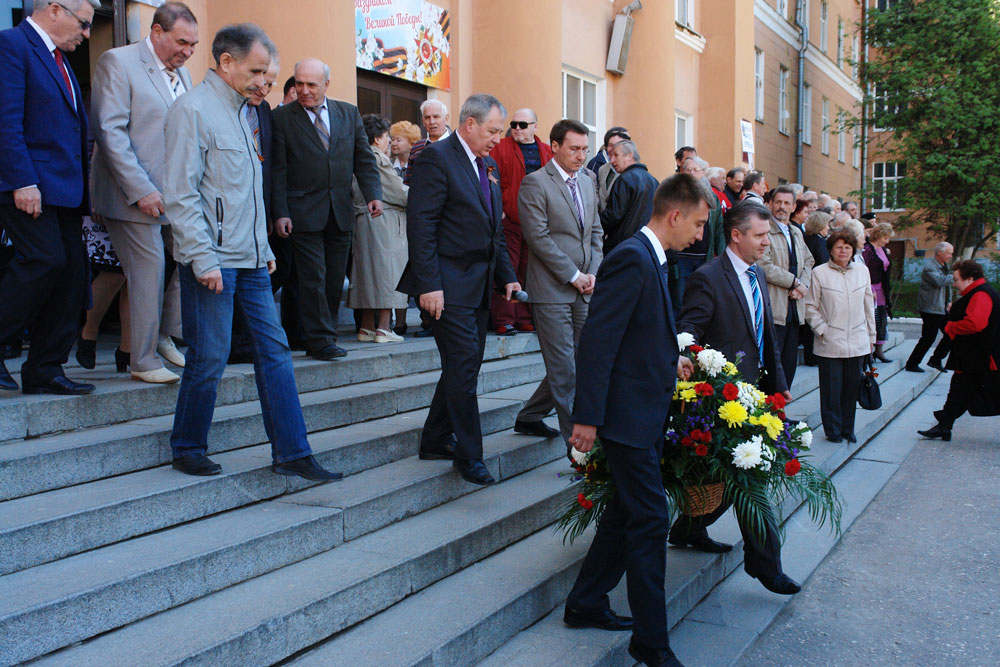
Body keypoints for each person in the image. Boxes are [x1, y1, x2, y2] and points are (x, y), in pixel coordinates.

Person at [163, 23, 340, 482]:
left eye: (269, 73)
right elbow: (181, 196)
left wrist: (264, 249)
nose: (266, 81)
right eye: (258, 71)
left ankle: (293, 453)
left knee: (276, 352)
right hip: (212, 260)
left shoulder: (248, 114)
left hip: (253, 260)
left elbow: (250, 192)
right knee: (210, 356)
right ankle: (187, 444)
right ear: (226, 63)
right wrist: (201, 260)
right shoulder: (193, 110)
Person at [565, 174, 710, 667]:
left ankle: (585, 601)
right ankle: (651, 642)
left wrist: (669, 357)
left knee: (627, 513)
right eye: (697, 223)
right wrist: (586, 418)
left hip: (644, 411)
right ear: (674, 215)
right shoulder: (632, 256)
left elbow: (638, 328)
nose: (699, 234)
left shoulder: (652, 256)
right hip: (625, 419)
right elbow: (598, 341)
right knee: (649, 519)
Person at [668, 200, 800, 597]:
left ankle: (687, 528)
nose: (766, 243)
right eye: (760, 236)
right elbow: (688, 330)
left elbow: (764, 338)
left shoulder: (756, 274)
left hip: (756, 393)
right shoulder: (708, 277)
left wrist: (778, 385)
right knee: (750, 478)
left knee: (720, 475)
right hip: (723, 399)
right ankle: (766, 566)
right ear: (737, 235)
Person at [397, 94, 520, 487]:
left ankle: (435, 439)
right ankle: (470, 455)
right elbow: (422, 226)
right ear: (470, 124)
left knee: (462, 365)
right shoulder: (436, 158)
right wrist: (429, 285)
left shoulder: (485, 164)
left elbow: (493, 231)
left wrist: (508, 276)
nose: (497, 140)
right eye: (493, 131)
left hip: (478, 287)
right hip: (446, 288)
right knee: (465, 366)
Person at [89, 1, 198, 384]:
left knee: (189, 258)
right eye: (182, 42)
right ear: (156, 32)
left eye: (193, 45)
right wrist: (140, 190)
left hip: (172, 194)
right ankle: (143, 359)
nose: (188, 51)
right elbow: (110, 132)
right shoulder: (117, 62)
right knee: (148, 270)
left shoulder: (182, 75)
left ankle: (164, 335)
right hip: (130, 194)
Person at [0, 0, 99, 395]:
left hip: (65, 192)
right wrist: (22, 180)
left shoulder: (60, 59)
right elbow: (5, 120)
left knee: (73, 276)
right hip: (30, 187)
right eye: (85, 24)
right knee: (43, 260)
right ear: (56, 9)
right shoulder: (12, 44)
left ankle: (45, 368)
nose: (87, 34)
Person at [271, 58, 383, 361]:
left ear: (326, 85)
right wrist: (280, 212)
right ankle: (319, 340)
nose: (304, 90)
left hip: (340, 212)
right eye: (299, 83)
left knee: (335, 279)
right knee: (312, 278)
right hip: (301, 213)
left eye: (311, 84)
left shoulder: (348, 113)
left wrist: (374, 194)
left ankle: (324, 334)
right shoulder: (281, 118)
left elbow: (363, 158)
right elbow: (277, 170)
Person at [513, 119, 602, 450]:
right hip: (551, 289)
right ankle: (576, 449)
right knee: (565, 368)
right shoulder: (535, 183)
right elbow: (538, 238)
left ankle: (530, 415)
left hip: (585, 287)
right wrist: (573, 275)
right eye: (574, 149)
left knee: (582, 362)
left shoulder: (589, 180)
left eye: (585, 149)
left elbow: (595, 231)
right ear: (555, 146)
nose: (581, 156)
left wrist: (592, 270)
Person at [228, 57, 282, 364]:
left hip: (258, 210)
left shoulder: (263, 109)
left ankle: (248, 342)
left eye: (270, 82)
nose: (264, 87)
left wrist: (271, 211)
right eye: (259, 78)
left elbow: (269, 162)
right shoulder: (219, 107)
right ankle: (234, 344)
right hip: (229, 211)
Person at [806, 230, 876, 444]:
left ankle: (848, 429)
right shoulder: (819, 273)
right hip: (829, 341)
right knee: (831, 390)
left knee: (850, 389)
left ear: (853, 250)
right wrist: (823, 330)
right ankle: (833, 430)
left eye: (847, 247)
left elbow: (868, 306)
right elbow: (810, 307)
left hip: (857, 340)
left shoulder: (862, 271)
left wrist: (871, 335)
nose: (843, 251)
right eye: (839, 247)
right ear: (830, 251)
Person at [488, 107, 554, 336]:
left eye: (522, 125)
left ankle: (524, 317)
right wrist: (499, 209)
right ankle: (504, 318)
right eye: (514, 124)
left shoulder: (546, 151)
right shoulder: (500, 148)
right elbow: (489, 179)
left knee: (530, 270)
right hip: (511, 221)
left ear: (535, 126)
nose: (516, 128)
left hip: (537, 223)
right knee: (508, 268)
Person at [918, 260, 1000, 441]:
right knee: (959, 389)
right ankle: (944, 425)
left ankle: (944, 424)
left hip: (982, 357)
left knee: (978, 391)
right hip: (974, 356)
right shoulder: (979, 293)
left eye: (956, 280)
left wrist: (952, 326)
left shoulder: (981, 294)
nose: (954, 284)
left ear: (969, 278)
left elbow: (975, 323)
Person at [348, 114, 408, 344]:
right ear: (376, 138)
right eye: (387, 137)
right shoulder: (378, 158)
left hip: (364, 219)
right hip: (385, 220)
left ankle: (367, 327)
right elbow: (396, 191)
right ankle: (383, 328)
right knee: (388, 273)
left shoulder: (359, 156)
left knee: (367, 274)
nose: (389, 143)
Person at [757, 184, 813, 388]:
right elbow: (763, 265)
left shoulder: (796, 232)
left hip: (795, 309)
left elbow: (809, 261)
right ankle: (768, 412)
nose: (782, 206)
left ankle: (781, 408)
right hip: (775, 308)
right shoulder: (764, 230)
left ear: (794, 206)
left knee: (789, 364)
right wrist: (795, 282)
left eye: (786, 203)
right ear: (770, 204)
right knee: (772, 365)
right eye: (778, 202)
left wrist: (803, 285)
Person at [78, 216, 131, 373]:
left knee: (137, 277)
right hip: (108, 200)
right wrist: (95, 198)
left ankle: (128, 348)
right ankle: (88, 331)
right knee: (114, 271)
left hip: (146, 204)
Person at [675, 156, 726, 302]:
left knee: (700, 297)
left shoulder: (712, 197)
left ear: (703, 172)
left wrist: (722, 256)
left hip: (704, 256)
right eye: (688, 169)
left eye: (695, 170)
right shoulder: (676, 195)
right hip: (682, 256)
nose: (691, 173)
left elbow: (718, 229)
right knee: (679, 300)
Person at [600, 140, 659, 254]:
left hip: (623, 246)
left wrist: (594, 224)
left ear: (629, 155)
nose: (612, 161)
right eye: (610, 156)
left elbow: (613, 215)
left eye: (616, 155)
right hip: (646, 245)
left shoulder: (624, 180)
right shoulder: (654, 181)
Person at [906, 241, 955, 373]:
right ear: (940, 252)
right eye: (949, 253)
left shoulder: (944, 265)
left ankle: (936, 359)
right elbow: (940, 281)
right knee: (928, 338)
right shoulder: (930, 267)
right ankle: (912, 363)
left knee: (951, 333)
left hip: (941, 308)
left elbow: (947, 287)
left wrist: (949, 301)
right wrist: (956, 275)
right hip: (931, 308)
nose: (951, 256)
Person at [862, 222, 895, 363]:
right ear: (879, 235)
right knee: (871, 318)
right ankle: (868, 351)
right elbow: (864, 269)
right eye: (885, 238)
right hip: (871, 287)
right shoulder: (868, 250)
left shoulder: (882, 250)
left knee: (881, 319)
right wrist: (869, 287)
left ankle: (879, 350)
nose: (886, 241)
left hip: (882, 288)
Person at [405, 99, 451, 185]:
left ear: (446, 118)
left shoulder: (457, 145)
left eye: (436, 117)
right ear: (423, 121)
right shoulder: (416, 147)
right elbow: (408, 181)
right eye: (427, 117)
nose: (432, 122)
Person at [596, 129, 630, 213]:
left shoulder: (631, 172)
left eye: (618, 144)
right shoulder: (602, 170)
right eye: (610, 145)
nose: (613, 148)